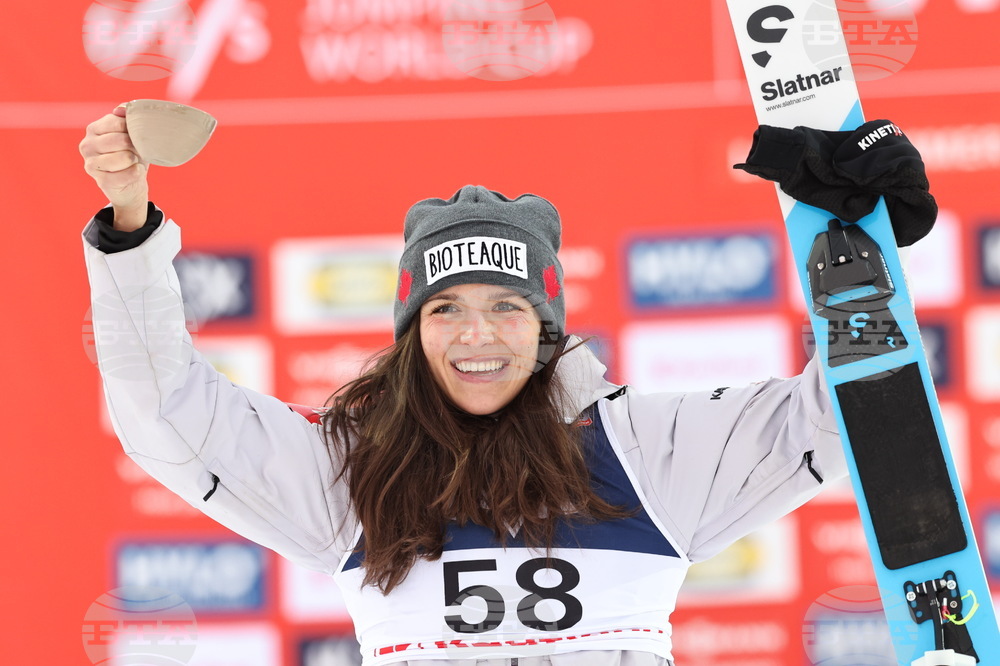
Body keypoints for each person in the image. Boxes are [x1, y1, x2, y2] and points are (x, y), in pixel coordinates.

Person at [79, 106, 935, 666]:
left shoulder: (642, 451)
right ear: (413, 331)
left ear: (547, 325)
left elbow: (843, 419)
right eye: (444, 309)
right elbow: (165, 413)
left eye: (507, 308)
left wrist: (860, 249)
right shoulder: (352, 477)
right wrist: (128, 225)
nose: (477, 335)